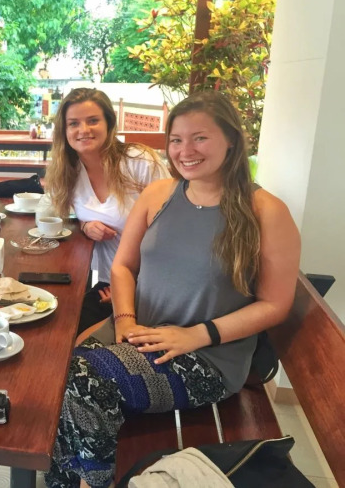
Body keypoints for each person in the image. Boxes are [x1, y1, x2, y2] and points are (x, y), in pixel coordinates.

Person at [46, 91, 301, 488]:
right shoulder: (160, 194)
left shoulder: (265, 211)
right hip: (139, 333)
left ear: (231, 140)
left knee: (83, 379)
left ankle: (92, 483)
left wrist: (196, 334)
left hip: (206, 356)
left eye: (200, 138)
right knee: (56, 372)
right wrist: (124, 320)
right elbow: (124, 266)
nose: (186, 151)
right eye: (177, 140)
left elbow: (275, 304)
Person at [44, 88, 168, 337]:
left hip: (154, 286)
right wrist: (86, 225)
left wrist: (133, 288)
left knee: (68, 335)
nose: (83, 130)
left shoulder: (139, 162)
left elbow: (173, 231)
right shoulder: (69, 172)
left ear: (109, 124)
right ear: (64, 130)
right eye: (74, 123)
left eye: (93, 120)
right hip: (110, 284)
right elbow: (71, 215)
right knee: (55, 323)